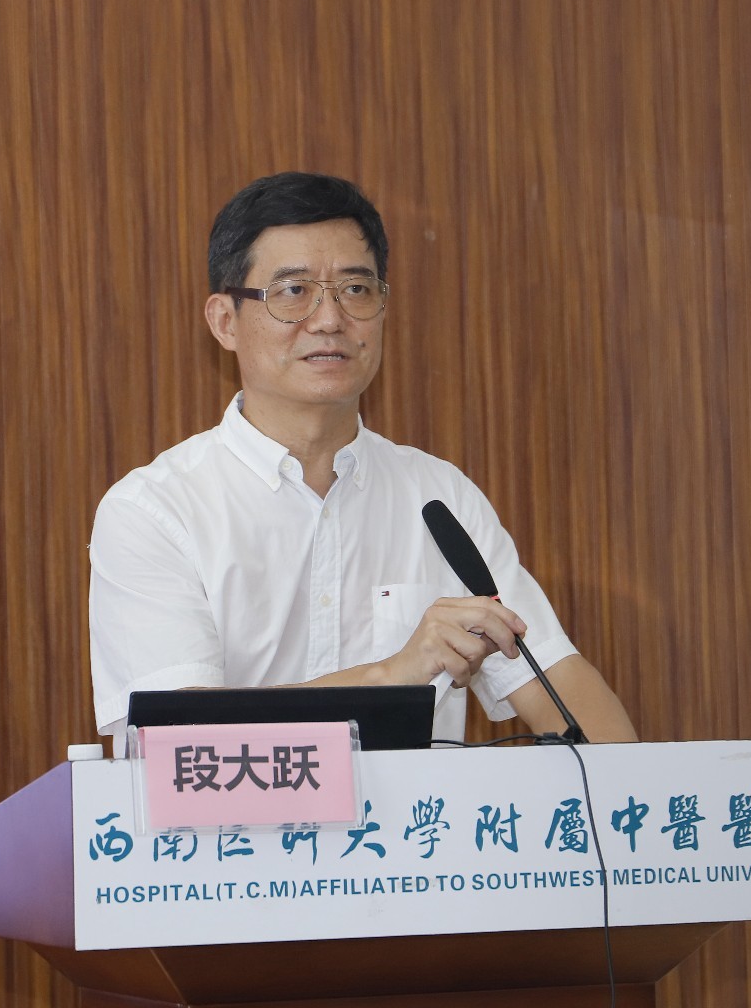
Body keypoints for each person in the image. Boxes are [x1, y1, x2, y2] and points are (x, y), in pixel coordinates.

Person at [88, 172, 637, 746]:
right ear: (225, 321)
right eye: (293, 291)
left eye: (355, 289)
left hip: (425, 812)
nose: (330, 320)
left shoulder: (438, 497)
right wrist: (393, 675)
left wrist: (629, 785)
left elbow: (558, 684)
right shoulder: (155, 511)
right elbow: (178, 742)